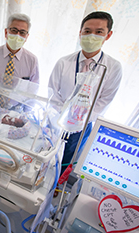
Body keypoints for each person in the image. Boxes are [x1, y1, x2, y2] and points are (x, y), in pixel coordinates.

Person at [48, 11, 122, 172]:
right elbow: (52, 92)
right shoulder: (64, 62)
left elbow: (105, 100)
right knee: (48, 155)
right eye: (87, 31)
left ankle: (57, 186)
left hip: (84, 125)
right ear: (80, 33)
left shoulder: (113, 67)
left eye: (99, 32)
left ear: (108, 35)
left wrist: (80, 120)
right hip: (58, 120)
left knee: (68, 161)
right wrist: (65, 116)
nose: (92, 36)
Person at [0, 13, 39, 108]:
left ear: (26, 37)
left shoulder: (32, 60)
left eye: (22, 32)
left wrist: (26, 115)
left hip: (16, 109)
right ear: (6, 32)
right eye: (14, 30)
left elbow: (32, 92)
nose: (18, 35)